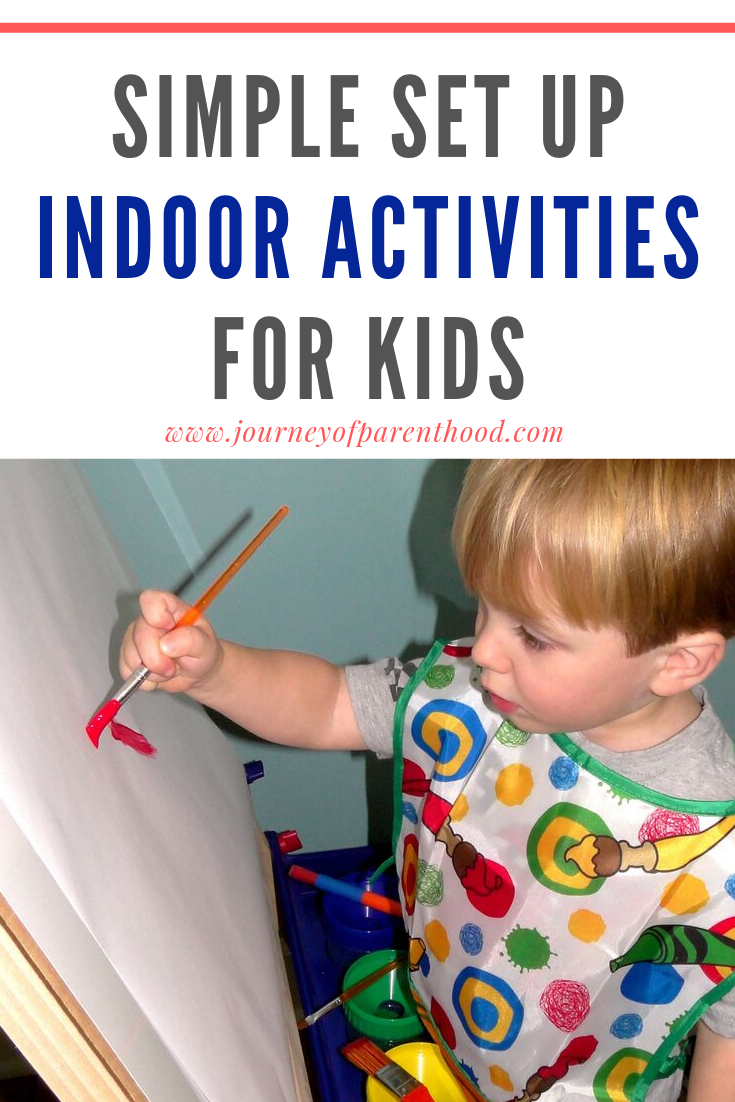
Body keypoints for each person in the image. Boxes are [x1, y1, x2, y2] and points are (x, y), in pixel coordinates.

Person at [120, 459, 735, 1102]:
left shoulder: (720, 857)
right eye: (486, 607)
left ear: (680, 662)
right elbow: (330, 703)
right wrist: (215, 672)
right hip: (450, 1027)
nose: (486, 650)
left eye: (533, 635)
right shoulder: (476, 693)